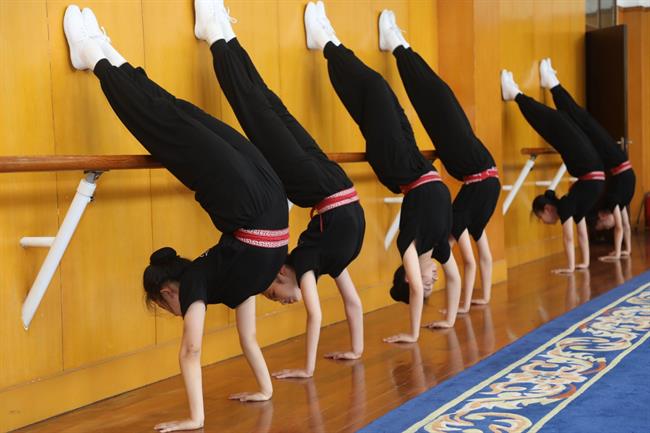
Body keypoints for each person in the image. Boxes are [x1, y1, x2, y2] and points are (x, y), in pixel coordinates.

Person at [64, 5, 289, 432]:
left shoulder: (213, 281)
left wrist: (205, 414)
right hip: (253, 199)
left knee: (175, 115)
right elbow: (229, 343)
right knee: (169, 120)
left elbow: (202, 348)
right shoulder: (218, 281)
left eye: (169, 308)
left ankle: (100, 54)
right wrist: (260, 392)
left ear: (168, 291)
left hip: (267, 200)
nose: (180, 313)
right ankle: (97, 55)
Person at [193, 0, 366, 378]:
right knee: (265, 108)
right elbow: (345, 306)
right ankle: (221, 34)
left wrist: (319, 364)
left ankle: (220, 35)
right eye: (275, 295)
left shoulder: (308, 262)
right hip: (324, 182)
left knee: (261, 109)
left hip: (322, 184)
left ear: (278, 274)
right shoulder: (319, 265)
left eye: (271, 294)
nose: (279, 298)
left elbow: (326, 310)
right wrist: (343, 354)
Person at [305, 1, 462, 340]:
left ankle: (328, 42)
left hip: (396, 165)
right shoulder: (439, 247)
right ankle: (331, 46)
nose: (432, 281)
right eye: (432, 285)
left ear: (408, 275)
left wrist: (414, 334)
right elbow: (456, 279)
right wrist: (450, 319)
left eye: (426, 283)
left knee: (375, 88)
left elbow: (416, 290)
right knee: (381, 96)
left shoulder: (410, 245)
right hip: (413, 160)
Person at [379, 10, 500, 312]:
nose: (434, 277)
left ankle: (398, 45)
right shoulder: (455, 226)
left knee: (434, 97)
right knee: (436, 97)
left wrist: (467, 303)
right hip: (471, 161)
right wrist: (472, 302)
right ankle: (398, 45)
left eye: (427, 282)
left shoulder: (451, 226)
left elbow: (473, 261)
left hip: (470, 161)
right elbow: (478, 260)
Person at [501, 69, 605, 274]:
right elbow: (580, 235)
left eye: (541, 218)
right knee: (553, 120)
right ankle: (520, 92)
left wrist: (571, 267)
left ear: (548, 209)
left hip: (589, 163)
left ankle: (515, 93)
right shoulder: (573, 205)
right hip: (587, 161)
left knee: (548, 121)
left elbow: (570, 238)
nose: (544, 222)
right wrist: (582, 263)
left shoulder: (568, 206)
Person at [540, 58, 635, 261]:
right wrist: (624, 251)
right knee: (580, 119)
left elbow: (622, 227)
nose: (608, 227)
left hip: (613, 157)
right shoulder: (616, 200)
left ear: (601, 215)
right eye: (605, 228)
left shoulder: (614, 200)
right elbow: (624, 226)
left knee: (579, 119)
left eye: (602, 226)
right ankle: (553, 84)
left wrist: (622, 252)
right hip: (614, 157)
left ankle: (553, 84)